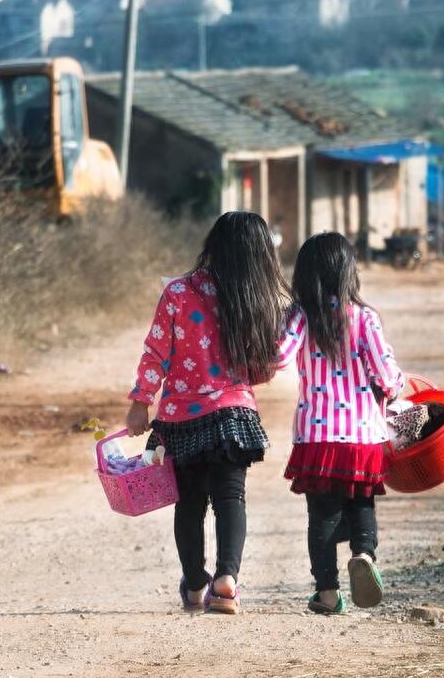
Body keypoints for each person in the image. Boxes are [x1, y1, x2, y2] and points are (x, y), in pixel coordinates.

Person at [126, 211, 288, 614]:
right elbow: (267, 366)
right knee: (231, 497)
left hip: (181, 419)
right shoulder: (255, 300)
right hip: (233, 414)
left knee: (190, 503)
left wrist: (140, 401)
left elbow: (156, 351)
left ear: (213, 246)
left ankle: (196, 585)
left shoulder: (178, 292)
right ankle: (227, 580)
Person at [276, 232, 407, 614]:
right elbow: (386, 375)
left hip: (316, 436)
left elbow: (279, 357)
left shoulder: (299, 316)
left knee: (322, 515)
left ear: (303, 275)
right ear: (349, 272)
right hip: (363, 435)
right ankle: (364, 555)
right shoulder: (364, 317)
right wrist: (398, 388)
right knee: (362, 501)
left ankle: (328, 593)